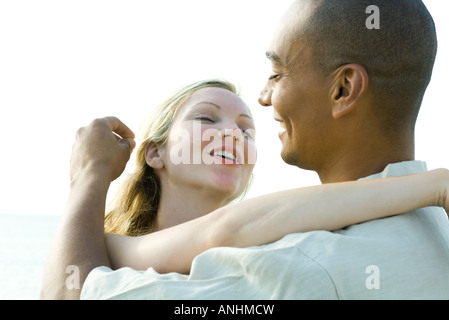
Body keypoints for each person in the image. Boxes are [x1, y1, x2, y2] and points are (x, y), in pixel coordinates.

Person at [40, 0, 449, 300]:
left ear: (342, 89)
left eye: (276, 73)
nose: (265, 96)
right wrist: (431, 185)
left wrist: (89, 176)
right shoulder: (433, 226)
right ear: (154, 152)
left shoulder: (291, 265)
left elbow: (69, 293)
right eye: (206, 118)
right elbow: (227, 230)